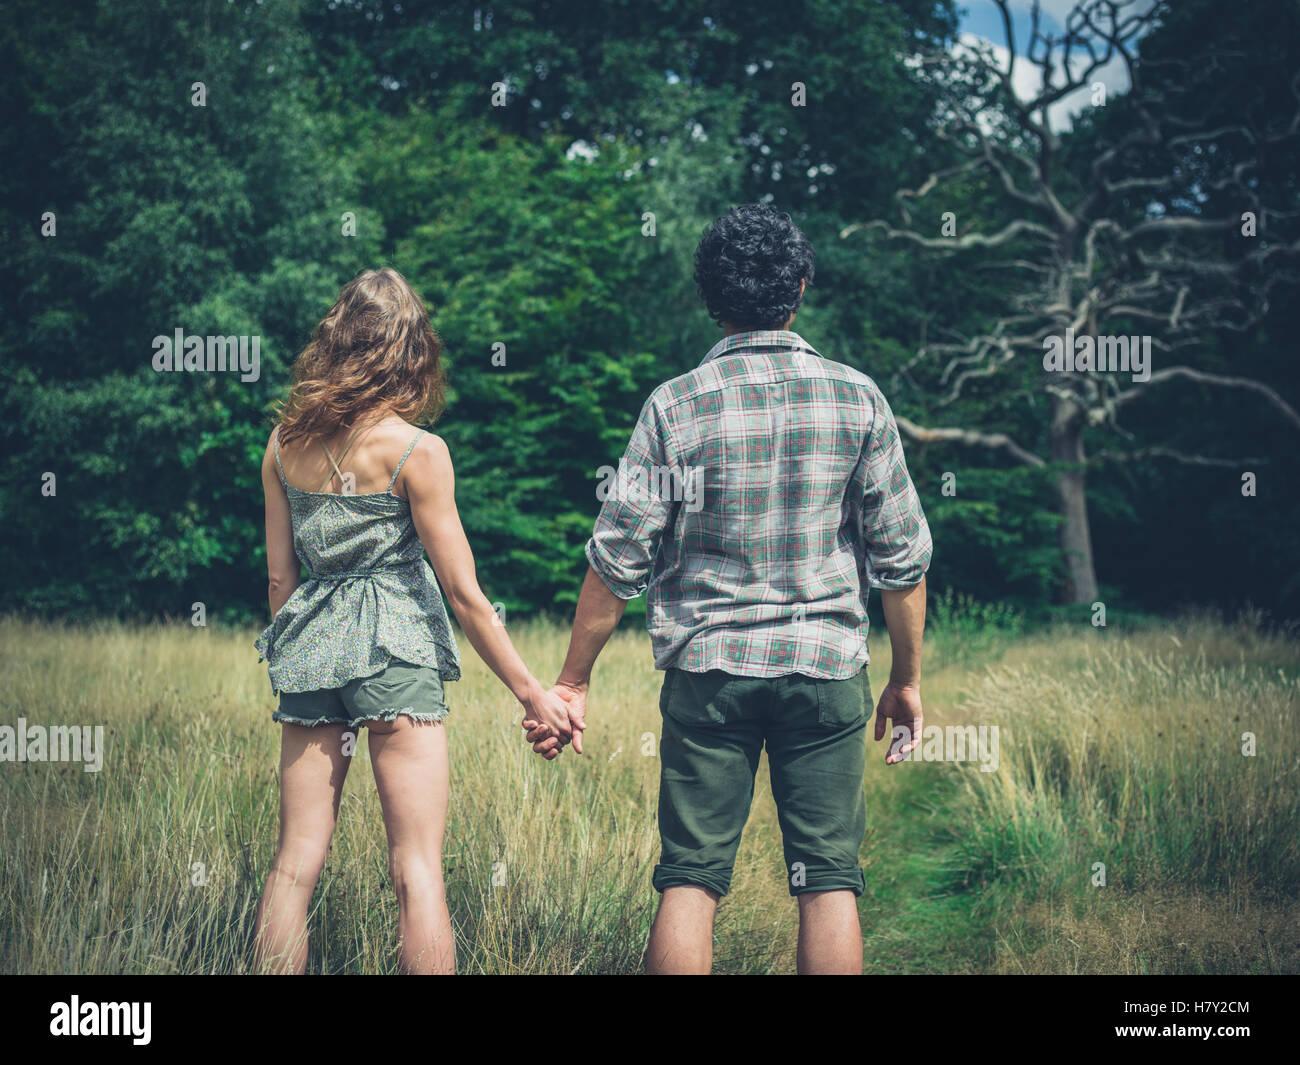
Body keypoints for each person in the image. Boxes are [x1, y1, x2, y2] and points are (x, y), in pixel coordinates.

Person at [525, 204, 933, 974]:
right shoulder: (859, 399)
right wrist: (906, 680)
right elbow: (903, 561)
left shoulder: (675, 405)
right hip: (825, 670)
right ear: (801, 287)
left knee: (690, 878)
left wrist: (573, 679)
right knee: (829, 881)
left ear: (710, 299)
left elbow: (617, 560)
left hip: (709, 675)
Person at [253, 267, 580, 975]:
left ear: (335, 345)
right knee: (417, 868)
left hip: (311, 652)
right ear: (409, 352)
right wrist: (533, 693)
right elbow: (465, 594)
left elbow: (281, 577)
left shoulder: (281, 445)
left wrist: (299, 655)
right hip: (395, 651)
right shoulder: (417, 451)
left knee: (292, 865)